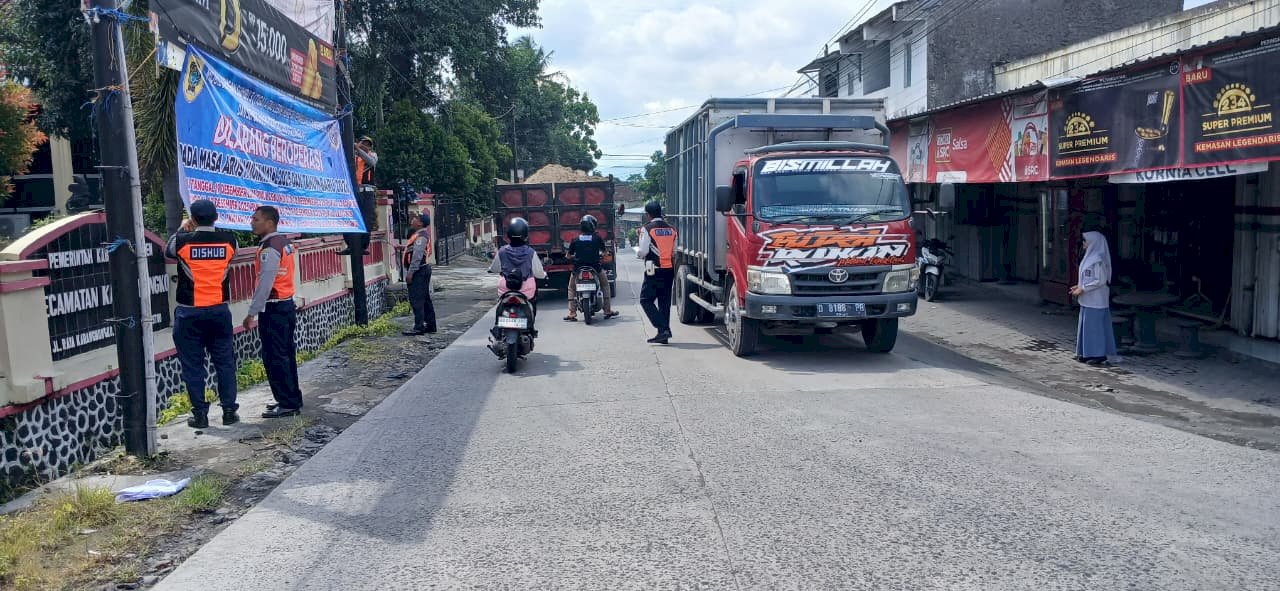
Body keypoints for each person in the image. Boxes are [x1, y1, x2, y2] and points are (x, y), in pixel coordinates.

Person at [166, 199, 239, 428]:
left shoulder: (181, 241)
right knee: (225, 363)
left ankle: (200, 415)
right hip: (219, 311)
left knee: (193, 365)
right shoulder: (230, 241)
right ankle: (229, 412)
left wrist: (182, 228)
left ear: (193, 219)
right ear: (216, 217)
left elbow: (167, 251)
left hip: (189, 313)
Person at [242, 206, 303, 419]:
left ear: (270, 223)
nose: (252, 222)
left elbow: (265, 284)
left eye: (256, 219)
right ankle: (291, 398)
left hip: (274, 307)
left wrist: (252, 313)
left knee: (275, 356)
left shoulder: (270, 248)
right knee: (286, 354)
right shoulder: (284, 243)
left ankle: (287, 403)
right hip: (285, 304)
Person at [489, 217, 547, 334]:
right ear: (526, 234)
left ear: (508, 234)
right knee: (533, 302)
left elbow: (494, 268)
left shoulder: (502, 251)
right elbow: (538, 273)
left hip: (506, 289)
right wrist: (544, 274)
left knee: (500, 304)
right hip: (526, 291)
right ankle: (530, 328)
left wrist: (491, 269)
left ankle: (497, 326)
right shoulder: (531, 252)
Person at [1071, 230, 1118, 366]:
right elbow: (1087, 277)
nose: (1084, 243)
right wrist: (1078, 286)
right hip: (1087, 299)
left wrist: (1083, 288)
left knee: (1095, 327)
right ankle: (1086, 353)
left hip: (1096, 300)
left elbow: (1100, 280)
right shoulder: (1089, 257)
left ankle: (1099, 355)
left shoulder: (1098, 259)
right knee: (1086, 326)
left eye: (1085, 241)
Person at [564, 214, 618, 322]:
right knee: (605, 285)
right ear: (593, 226)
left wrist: (572, 257)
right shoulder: (597, 238)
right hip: (595, 268)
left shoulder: (575, 239)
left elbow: (568, 256)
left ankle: (572, 312)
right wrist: (603, 254)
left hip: (578, 269)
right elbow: (605, 252)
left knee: (571, 288)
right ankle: (607, 310)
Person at [636, 201, 677, 344]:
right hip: (669, 270)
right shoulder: (672, 229)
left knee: (645, 300)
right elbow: (674, 251)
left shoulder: (647, 229)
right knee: (664, 302)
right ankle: (662, 334)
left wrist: (638, 254)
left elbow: (643, 251)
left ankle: (663, 328)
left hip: (654, 270)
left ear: (648, 215)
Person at [339, 136, 379, 256]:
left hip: (367, 192)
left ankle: (362, 246)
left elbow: (371, 162)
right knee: (349, 218)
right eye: (363, 143)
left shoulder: (373, 155)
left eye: (368, 144)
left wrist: (358, 148)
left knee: (366, 220)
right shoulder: (352, 157)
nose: (366, 146)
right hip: (353, 191)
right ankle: (350, 245)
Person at [402, 212, 437, 336]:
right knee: (425, 298)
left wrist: (411, 272)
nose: (413, 220)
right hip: (422, 269)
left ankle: (419, 327)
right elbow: (414, 250)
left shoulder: (421, 237)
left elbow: (417, 256)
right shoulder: (419, 235)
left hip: (419, 271)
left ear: (420, 223)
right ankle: (430, 325)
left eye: (416, 218)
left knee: (417, 299)